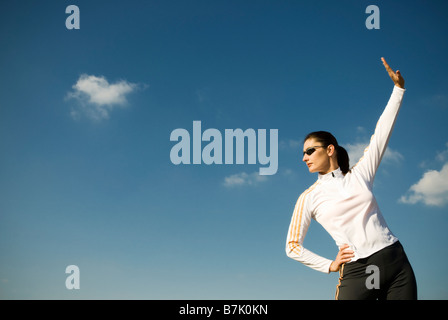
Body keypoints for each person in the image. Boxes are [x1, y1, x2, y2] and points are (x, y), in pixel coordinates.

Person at [285, 58, 417, 300]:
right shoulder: (308, 198)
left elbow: (381, 135)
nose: (304, 158)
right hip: (358, 271)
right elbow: (292, 246)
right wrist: (329, 265)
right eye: (303, 153)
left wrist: (398, 90)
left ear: (330, 149)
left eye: (310, 151)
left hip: (396, 261)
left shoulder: (360, 173)